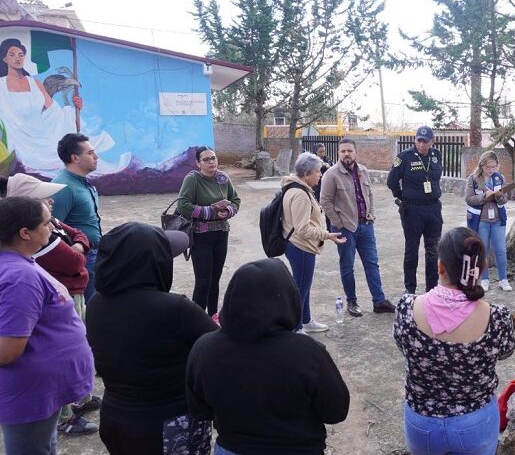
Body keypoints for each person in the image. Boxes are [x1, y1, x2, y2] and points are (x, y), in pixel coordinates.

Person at [186, 259, 351, 454]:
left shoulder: (204, 348)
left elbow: (199, 410)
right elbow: (336, 411)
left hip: (232, 446)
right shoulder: (308, 353)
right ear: (289, 298)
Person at [86, 222, 218, 454]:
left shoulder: (96, 303)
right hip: (169, 424)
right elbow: (218, 346)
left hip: (115, 417)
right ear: (154, 263)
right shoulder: (176, 309)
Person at [394, 227, 515, 455]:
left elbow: (403, 345)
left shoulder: (407, 309)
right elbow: (507, 350)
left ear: (440, 267)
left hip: (422, 422)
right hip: (476, 422)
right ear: (480, 270)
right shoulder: (497, 317)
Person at [1, 173, 101, 435]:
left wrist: (77, 242)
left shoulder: (23, 261)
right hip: (33, 395)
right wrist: (78, 247)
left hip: (39, 391)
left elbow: (77, 234)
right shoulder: (19, 277)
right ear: (25, 232)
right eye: (45, 223)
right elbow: (9, 348)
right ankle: (66, 418)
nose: (52, 223)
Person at [0, 38, 126, 175]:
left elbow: (53, 112)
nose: (17, 58)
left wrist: (72, 107)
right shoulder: (1, 85)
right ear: (5, 59)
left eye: (21, 55)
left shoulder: (34, 83)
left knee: (65, 153)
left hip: (41, 135)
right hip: (18, 139)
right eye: (12, 55)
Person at [320, 138, 395, 316]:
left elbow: (369, 194)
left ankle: (379, 301)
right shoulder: (331, 174)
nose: (346, 154)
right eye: (343, 151)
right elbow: (325, 201)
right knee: (347, 266)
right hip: (346, 229)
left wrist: (372, 214)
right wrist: (338, 223)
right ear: (339, 153)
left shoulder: (363, 171)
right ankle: (351, 302)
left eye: (350, 151)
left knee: (372, 264)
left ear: (355, 152)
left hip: (366, 226)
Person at [282, 152, 346, 333]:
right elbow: (302, 228)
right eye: (318, 171)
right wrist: (328, 235)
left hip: (302, 246)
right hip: (300, 247)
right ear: (307, 173)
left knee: (305, 285)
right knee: (300, 289)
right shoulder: (299, 194)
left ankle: (306, 320)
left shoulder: (299, 188)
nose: (320, 175)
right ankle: (296, 328)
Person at [176, 146, 241, 316]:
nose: (211, 162)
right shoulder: (192, 180)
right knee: (203, 282)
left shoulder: (223, 177)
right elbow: (182, 206)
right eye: (206, 159)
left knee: (215, 280)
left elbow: (235, 200)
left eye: (213, 158)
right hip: (200, 236)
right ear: (198, 163)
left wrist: (227, 212)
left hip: (221, 235)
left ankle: (213, 317)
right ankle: (196, 319)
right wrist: (210, 212)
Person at [388, 125, 444, 294]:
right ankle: (410, 289)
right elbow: (392, 181)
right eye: (419, 140)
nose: (422, 144)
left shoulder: (436, 156)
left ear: (432, 142)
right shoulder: (404, 157)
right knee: (411, 251)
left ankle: (432, 289)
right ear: (415, 140)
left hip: (433, 209)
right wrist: (403, 197)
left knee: (433, 251)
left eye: (425, 141)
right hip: (413, 210)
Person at [50, 132, 104, 302]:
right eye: (90, 153)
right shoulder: (63, 187)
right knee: (87, 307)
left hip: (94, 254)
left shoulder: (83, 183)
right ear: (75, 158)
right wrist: (74, 256)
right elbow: (52, 228)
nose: (96, 156)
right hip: (81, 258)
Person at [464, 151, 512, 292]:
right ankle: (484, 279)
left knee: (500, 249)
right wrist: (484, 196)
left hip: (497, 219)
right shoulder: (473, 179)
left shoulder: (500, 178)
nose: (491, 170)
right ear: (481, 165)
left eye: (493, 167)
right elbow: (469, 199)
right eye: (487, 167)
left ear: (497, 166)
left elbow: (505, 198)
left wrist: (499, 196)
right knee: (483, 250)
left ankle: (503, 279)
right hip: (480, 220)